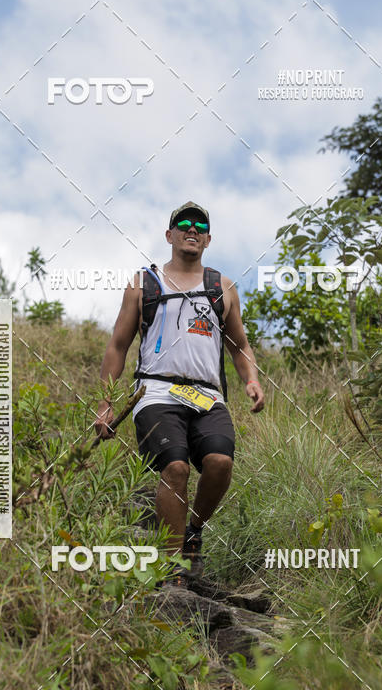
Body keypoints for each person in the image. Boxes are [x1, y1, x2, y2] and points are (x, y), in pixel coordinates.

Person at [94, 201, 264, 583]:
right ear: (169, 235)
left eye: (200, 225)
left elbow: (239, 347)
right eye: (183, 223)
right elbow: (117, 346)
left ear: (207, 238)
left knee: (220, 464)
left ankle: (193, 534)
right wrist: (105, 404)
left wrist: (251, 380)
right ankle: (172, 568)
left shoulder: (222, 287)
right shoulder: (144, 283)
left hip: (207, 395)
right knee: (175, 467)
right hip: (155, 392)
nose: (192, 228)